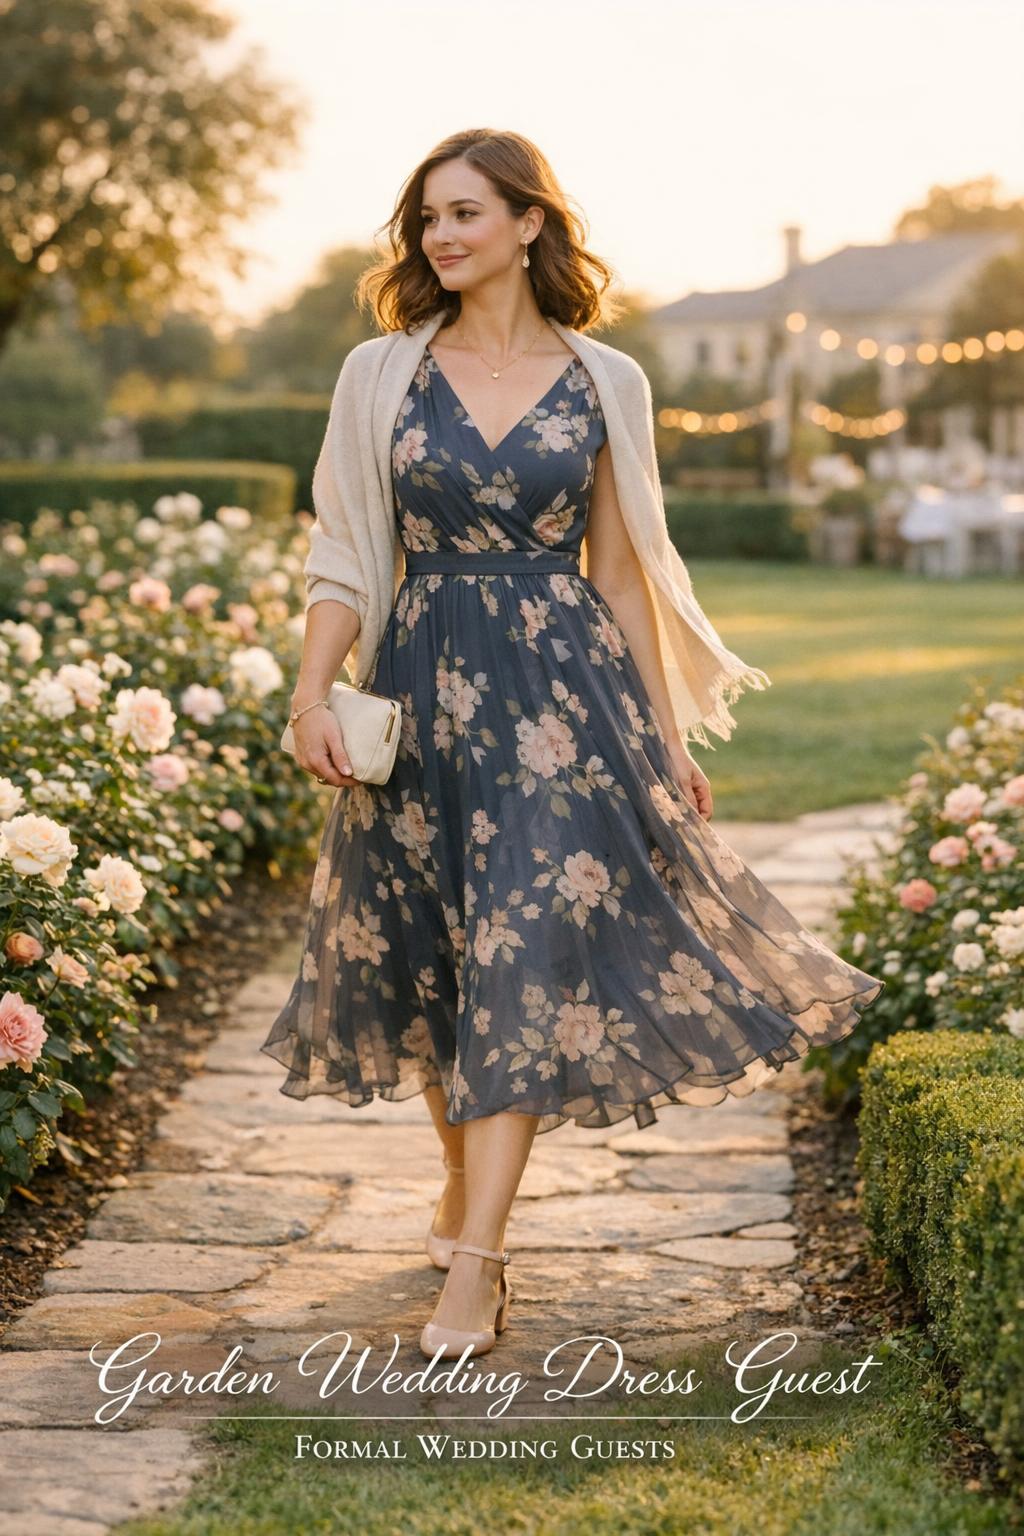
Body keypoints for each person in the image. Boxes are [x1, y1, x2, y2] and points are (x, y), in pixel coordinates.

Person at [261, 128, 884, 1363]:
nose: (440, 237)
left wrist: (660, 739)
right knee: (437, 962)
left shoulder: (608, 381)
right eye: (427, 218)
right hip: (423, 692)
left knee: (524, 955)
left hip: (564, 705)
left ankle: (479, 1264)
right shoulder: (378, 373)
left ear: (528, 223)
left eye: (465, 214)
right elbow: (343, 552)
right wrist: (310, 694)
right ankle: (459, 1186)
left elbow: (623, 569)